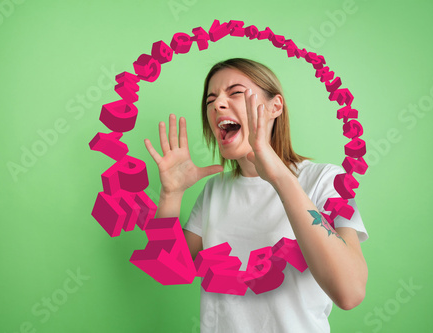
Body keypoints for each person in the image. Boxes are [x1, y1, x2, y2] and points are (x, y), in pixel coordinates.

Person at [144, 58, 368, 333]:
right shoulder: (215, 191)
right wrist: (171, 194)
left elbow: (350, 292)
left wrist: (279, 177)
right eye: (210, 100)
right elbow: (168, 271)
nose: (217, 105)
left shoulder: (327, 180)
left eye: (235, 92)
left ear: (275, 107)